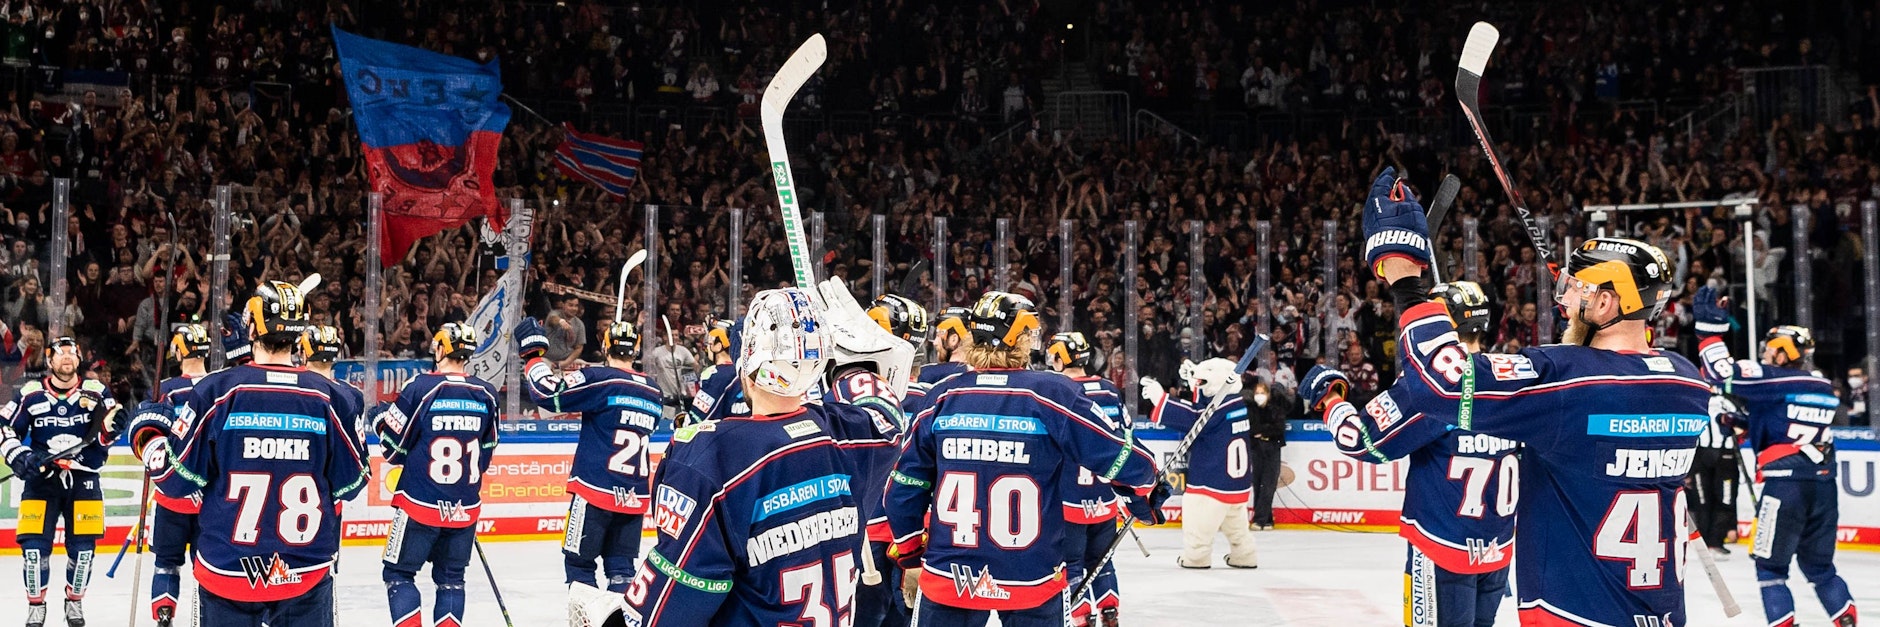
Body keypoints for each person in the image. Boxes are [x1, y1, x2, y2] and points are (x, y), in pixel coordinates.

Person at [1355, 167, 1711, 625]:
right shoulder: (1686, 382)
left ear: (1605, 304)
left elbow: (1444, 383)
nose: (1564, 304)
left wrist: (1404, 276)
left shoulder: (1567, 380)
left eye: (1574, 291)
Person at [884, 291, 1167, 626]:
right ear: (1016, 339)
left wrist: (911, 556)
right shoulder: (1051, 393)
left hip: (950, 577)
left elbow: (903, 489)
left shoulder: (943, 396)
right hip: (1032, 578)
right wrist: (1147, 493)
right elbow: (1121, 458)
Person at [613, 287, 892, 625]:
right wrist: (850, 365)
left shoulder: (712, 458)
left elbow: (670, 611)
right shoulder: (856, 434)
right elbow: (884, 409)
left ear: (747, 360)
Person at [135, 279, 368, 626]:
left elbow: (174, 480)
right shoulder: (332, 397)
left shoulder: (216, 392)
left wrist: (147, 437)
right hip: (305, 573)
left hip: (228, 571)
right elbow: (352, 484)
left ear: (252, 327)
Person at [1299, 281, 1516, 627]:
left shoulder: (1434, 387)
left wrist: (1331, 400)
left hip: (1442, 548)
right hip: (1496, 550)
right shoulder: (1510, 376)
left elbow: (1362, 440)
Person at [1693, 287, 1858, 627]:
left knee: (1770, 569)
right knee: (1820, 567)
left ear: (1784, 351)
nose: (1766, 355)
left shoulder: (1772, 378)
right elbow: (1786, 421)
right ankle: (1847, 620)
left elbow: (1722, 374)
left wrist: (1710, 334)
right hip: (1823, 488)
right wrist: (1742, 421)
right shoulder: (1821, 384)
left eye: (1770, 348)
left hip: (1784, 488)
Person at [516, 315, 663, 594]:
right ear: (636, 348)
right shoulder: (654, 391)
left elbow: (548, 394)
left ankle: (586, 617)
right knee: (621, 571)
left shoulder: (599, 378)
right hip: (633, 497)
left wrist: (533, 357)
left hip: (594, 491)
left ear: (605, 347)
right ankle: (619, 618)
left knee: (579, 565)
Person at [372, 322, 501, 627]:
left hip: (419, 505)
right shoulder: (487, 393)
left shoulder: (420, 388)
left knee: (399, 574)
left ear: (441, 349)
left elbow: (392, 450)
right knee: (452, 581)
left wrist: (379, 420)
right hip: (464, 508)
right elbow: (485, 455)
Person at [0, 336, 125, 627]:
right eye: (60, 352)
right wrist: (19, 456)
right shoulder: (31, 393)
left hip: (84, 480)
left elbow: (108, 430)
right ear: (49, 360)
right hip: (41, 481)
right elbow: (4, 427)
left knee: (83, 554)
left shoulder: (96, 391)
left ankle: (74, 603)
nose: (66, 356)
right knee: (33, 552)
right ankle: (36, 606)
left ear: (79, 359)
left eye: (72, 352)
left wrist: (112, 429)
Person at [1142, 357, 1258, 569]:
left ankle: (1196, 557)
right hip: (1236, 484)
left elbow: (1196, 418)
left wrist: (1161, 399)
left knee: (1198, 523)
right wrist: (1195, 382)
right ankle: (1244, 555)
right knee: (1236, 525)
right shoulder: (1235, 403)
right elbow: (1206, 406)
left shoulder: (1219, 409)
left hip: (1212, 481)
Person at [1045, 331, 1128, 627]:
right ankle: (1109, 608)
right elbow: (1125, 438)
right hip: (1104, 499)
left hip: (1069, 500)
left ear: (1060, 357)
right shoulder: (1108, 390)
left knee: (1071, 562)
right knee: (1102, 560)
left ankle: (1080, 616)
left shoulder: (1058, 391)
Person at [143, 324, 215, 627]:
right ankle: (208, 618)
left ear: (178, 350)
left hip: (171, 497)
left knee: (166, 563)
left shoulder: (165, 389)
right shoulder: (221, 385)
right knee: (209, 567)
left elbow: (151, 438)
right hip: (211, 499)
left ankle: (164, 615)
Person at [1243, 376, 1294, 531]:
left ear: (1268, 394)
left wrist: (1263, 431)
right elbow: (1251, 428)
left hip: (1272, 447)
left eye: (1262, 393)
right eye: (1257, 393)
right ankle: (1267, 519)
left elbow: (1278, 428)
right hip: (1256, 448)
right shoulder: (1251, 409)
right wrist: (1262, 430)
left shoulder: (1275, 408)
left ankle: (1259, 519)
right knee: (1258, 484)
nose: (1259, 395)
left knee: (1268, 484)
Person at [900, 306, 970, 418]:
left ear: (953, 339)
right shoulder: (977, 374)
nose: (935, 342)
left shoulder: (926, 373)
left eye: (938, 335)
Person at [687, 318, 747, 426]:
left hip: (725, 434)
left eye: (710, 342)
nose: (707, 347)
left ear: (718, 346)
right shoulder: (747, 372)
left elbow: (698, 421)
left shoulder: (717, 376)